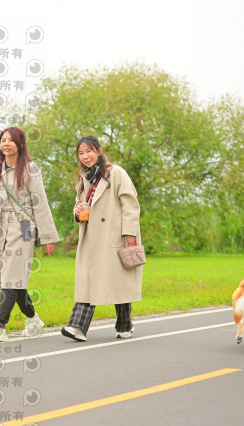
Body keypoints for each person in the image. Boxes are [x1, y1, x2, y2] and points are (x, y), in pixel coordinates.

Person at [0, 126, 60, 342]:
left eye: (11, 140)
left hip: (23, 227)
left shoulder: (30, 170)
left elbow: (41, 204)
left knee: (11, 276)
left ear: (20, 144)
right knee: (13, 278)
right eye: (3, 140)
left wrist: (48, 237)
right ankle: (33, 319)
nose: (6, 144)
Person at [61, 135, 143, 342]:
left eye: (89, 151)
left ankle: (124, 323)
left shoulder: (116, 173)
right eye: (81, 153)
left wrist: (129, 234)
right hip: (91, 237)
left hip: (114, 235)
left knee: (119, 281)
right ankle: (77, 326)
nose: (85, 156)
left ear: (99, 151)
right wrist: (77, 211)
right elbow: (79, 204)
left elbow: (130, 205)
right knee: (88, 279)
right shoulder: (84, 178)